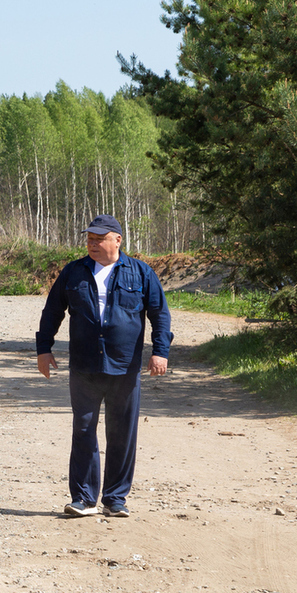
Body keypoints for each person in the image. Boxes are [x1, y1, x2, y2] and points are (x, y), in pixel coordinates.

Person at [34, 214, 172, 518]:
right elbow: (52, 310)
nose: (93, 244)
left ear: (117, 240)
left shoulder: (140, 273)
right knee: (83, 429)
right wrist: (44, 349)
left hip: (125, 368)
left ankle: (115, 499)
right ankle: (83, 498)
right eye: (90, 239)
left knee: (122, 432)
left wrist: (160, 351)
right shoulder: (74, 272)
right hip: (84, 366)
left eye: (99, 239)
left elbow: (159, 314)